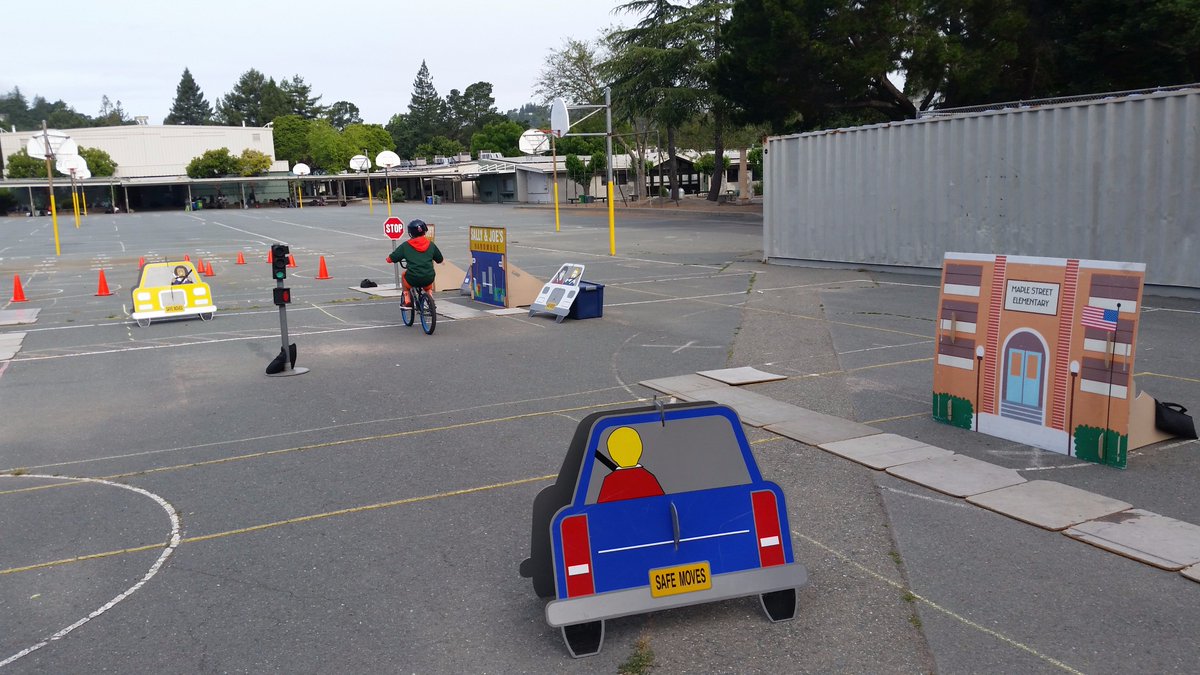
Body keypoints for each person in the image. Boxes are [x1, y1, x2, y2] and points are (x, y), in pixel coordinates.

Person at [597, 426, 664, 503]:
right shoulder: (648, 477)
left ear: (612, 455)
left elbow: (602, 509)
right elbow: (660, 503)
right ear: (640, 449)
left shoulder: (609, 481)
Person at [385, 219, 443, 307]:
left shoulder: (406, 245)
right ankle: (430, 297)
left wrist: (389, 259)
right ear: (424, 231)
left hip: (413, 278)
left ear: (411, 233)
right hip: (428, 278)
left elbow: (391, 259)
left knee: (404, 275)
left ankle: (407, 300)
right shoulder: (431, 245)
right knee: (428, 277)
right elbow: (440, 260)